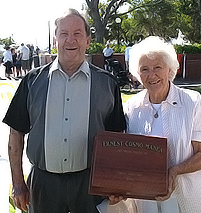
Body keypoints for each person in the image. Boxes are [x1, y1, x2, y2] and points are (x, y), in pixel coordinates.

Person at [3, 8, 126, 213]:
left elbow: (117, 137)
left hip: (90, 185)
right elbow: (16, 132)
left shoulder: (107, 83)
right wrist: (17, 182)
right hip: (43, 185)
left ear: (88, 41)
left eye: (78, 34)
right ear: (55, 40)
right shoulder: (32, 81)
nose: (71, 40)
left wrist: (115, 183)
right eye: (64, 34)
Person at [104, 36, 201, 212]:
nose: (152, 75)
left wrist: (174, 171)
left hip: (188, 201)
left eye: (158, 67)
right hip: (146, 202)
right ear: (137, 74)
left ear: (169, 69)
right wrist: (117, 185)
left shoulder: (191, 101)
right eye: (144, 69)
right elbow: (127, 157)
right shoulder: (132, 107)